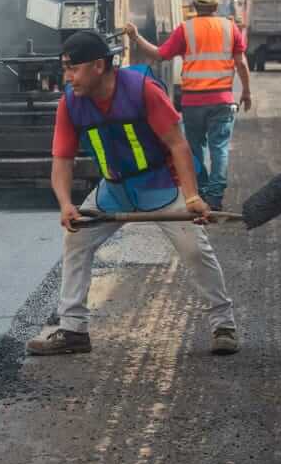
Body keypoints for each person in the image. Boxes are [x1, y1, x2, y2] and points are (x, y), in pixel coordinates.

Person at [29, 30, 239, 357]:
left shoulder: (143, 92)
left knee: (194, 250)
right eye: (65, 69)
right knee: (76, 239)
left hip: (160, 186)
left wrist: (193, 197)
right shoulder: (70, 104)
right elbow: (62, 160)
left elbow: (178, 145)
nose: (67, 78)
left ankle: (223, 323)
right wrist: (66, 204)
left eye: (72, 68)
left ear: (98, 66)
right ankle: (73, 330)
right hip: (113, 189)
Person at [122, 0, 252, 211]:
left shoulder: (186, 29)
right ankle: (215, 196)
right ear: (215, 6)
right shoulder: (230, 28)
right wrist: (247, 92)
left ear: (194, 6)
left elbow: (160, 54)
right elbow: (241, 63)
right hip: (222, 100)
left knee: (194, 149)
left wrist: (136, 37)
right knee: (219, 148)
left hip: (193, 102)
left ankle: (199, 192)